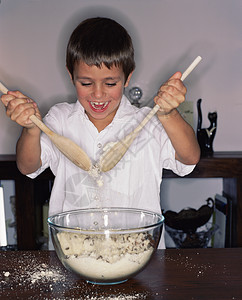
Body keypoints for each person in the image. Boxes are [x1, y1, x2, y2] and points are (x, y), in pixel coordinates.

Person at [1, 17, 200, 248]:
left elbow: (189, 158)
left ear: (127, 77)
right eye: (86, 83)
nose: (97, 95)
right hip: (71, 253)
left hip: (141, 254)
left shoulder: (148, 122)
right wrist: (31, 128)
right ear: (71, 76)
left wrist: (168, 114)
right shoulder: (60, 119)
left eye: (110, 83)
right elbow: (28, 166)